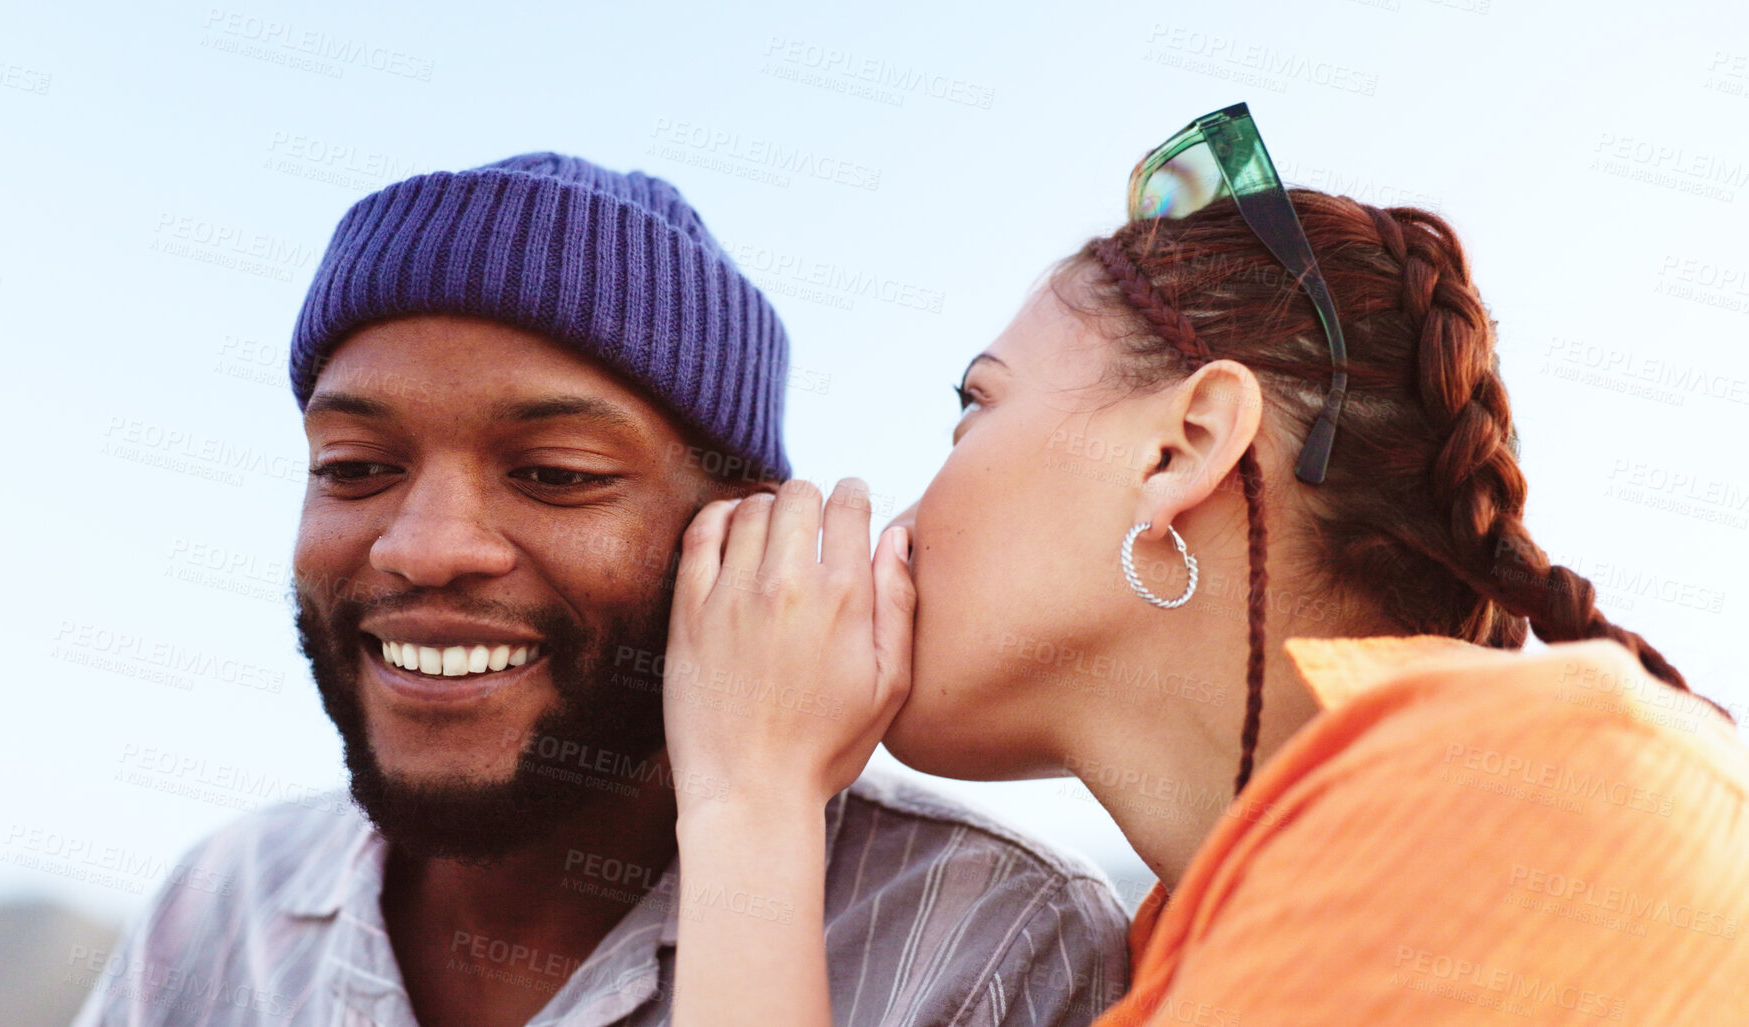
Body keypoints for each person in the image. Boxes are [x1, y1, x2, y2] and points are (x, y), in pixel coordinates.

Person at [661, 104, 1749, 1025]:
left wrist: (747, 806)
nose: (902, 512)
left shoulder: (1517, 797)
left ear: (1179, 451)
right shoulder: (1186, 948)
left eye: (974, 407)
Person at [70, 153, 1131, 1027]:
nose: (425, 547)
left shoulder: (990, 936)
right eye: (354, 467)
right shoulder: (215, 913)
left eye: (556, 475)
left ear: (747, 538)